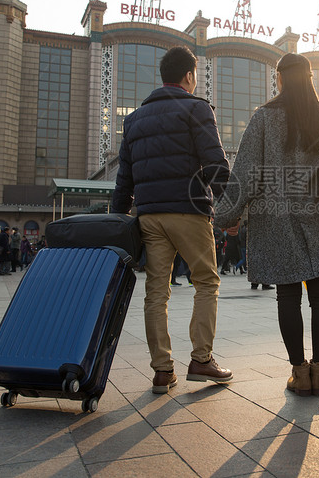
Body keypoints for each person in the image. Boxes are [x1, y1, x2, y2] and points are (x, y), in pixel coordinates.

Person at [215, 52, 319, 397]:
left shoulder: (263, 119)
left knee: (288, 297)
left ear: (278, 79)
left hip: (275, 218)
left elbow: (245, 172)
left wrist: (226, 216)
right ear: (310, 79)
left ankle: (299, 372)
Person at [111, 45, 233, 394]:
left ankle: (162, 371)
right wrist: (230, 211)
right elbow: (214, 164)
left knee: (156, 292)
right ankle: (201, 359)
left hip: (149, 216)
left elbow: (125, 178)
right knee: (206, 282)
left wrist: (118, 219)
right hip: (189, 211)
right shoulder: (196, 108)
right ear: (189, 76)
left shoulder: (134, 119)